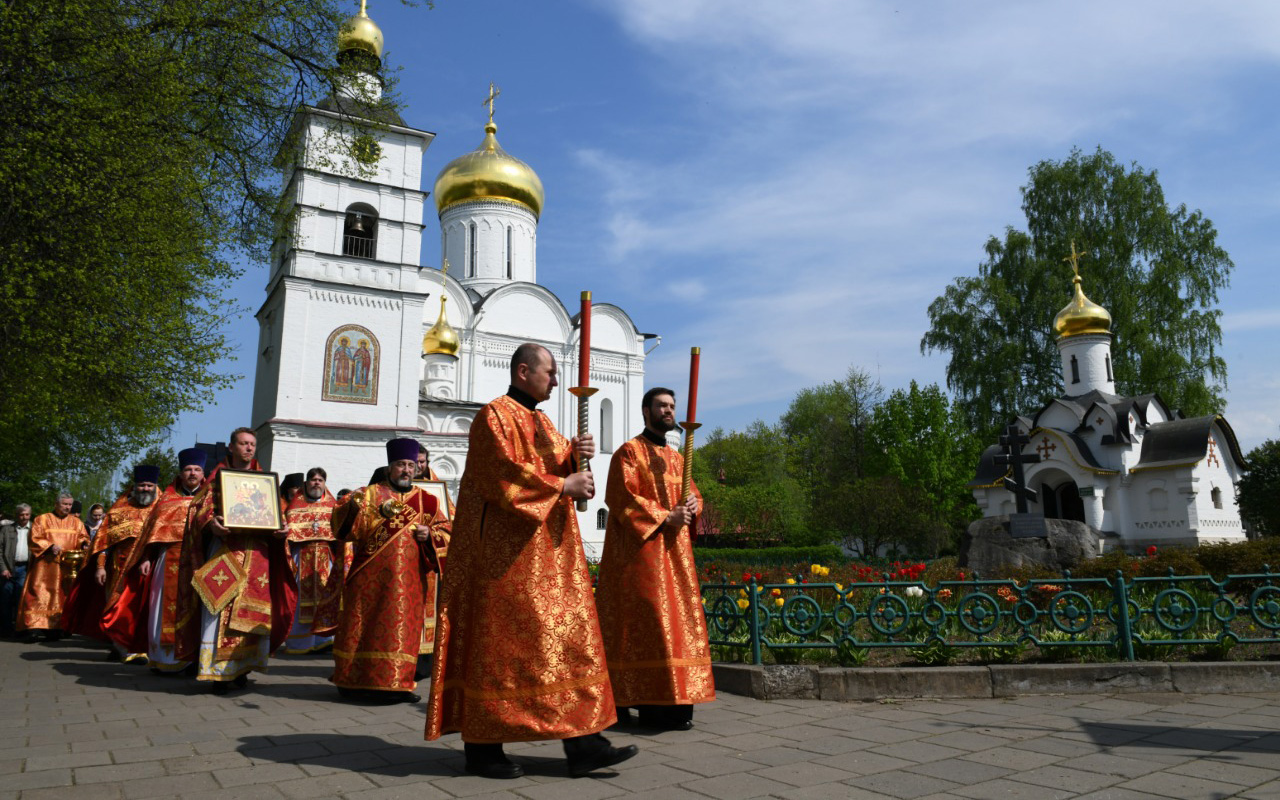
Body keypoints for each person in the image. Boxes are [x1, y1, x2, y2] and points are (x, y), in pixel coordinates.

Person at [425, 343, 636, 779]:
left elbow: (561, 471)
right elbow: (503, 476)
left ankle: (584, 744)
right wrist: (563, 485)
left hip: (549, 560)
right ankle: (482, 748)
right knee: (502, 649)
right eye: (550, 372)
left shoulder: (543, 421)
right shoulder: (494, 417)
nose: (556, 380)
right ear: (524, 372)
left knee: (567, 645)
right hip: (504, 560)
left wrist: (575, 455)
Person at [595, 387, 713, 731]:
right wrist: (665, 517)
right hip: (641, 558)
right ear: (646, 410)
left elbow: (692, 494)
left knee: (679, 626)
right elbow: (621, 496)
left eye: (672, 406)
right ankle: (648, 705)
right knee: (649, 625)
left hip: (676, 558)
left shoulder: (678, 458)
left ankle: (679, 705)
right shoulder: (629, 452)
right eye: (662, 405)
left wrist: (694, 505)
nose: (669, 411)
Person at [175, 427, 297, 693]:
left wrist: (282, 529)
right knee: (220, 610)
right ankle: (218, 671)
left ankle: (242, 668)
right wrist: (211, 524)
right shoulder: (218, 478)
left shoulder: (265, 481)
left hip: (258, 556)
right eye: (243, 444)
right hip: (227, 551)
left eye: (252, 444)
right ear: (232, 447)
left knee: (253, 612)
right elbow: (200, 510)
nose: (249, 448)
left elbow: (278, 514)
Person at [330, 440, 449, 703]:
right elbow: (343, 529)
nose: (406, 470)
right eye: (400, 465)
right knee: (361, 629)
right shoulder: (369, 494)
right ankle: (351, 682)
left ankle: (397, 684)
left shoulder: (427, 501)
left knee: (400, 632)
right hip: (367, 579)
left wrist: (430, 534)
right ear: (390, 467)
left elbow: (449, 533)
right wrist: (350, 507)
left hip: (409, 584)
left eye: (410, 465)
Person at [103, 448, 207, 673]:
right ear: (180, 473)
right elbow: (151, 534)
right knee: (161, 607)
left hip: (200, 561)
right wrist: (147, 558)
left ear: (203, 474)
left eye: (197, 469)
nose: (192, 473)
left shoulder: (210, 499)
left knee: (197, 609)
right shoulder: (166, 500)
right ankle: (163, 659)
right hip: (167, 559)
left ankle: (193, 660)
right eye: (188, 469)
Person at [64, 466, 162, 660]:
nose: (145, 489)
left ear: (155, 487)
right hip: (118, 567)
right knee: (117, 608)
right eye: (141, 485)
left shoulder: (161, 509)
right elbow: (103, 543)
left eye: (149, 485)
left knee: (143, 609)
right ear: (135, 487)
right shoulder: (119, 509)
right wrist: (100, 567)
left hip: (148, 566)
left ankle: (140, 649)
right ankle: (120, 647)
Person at [283, 467, 342, 654]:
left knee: (327, 596)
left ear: (325, 484)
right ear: (307, 483)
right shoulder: (295, 507)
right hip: (303, 555)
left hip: (326, 556)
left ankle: (324, 640)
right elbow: (289, 535)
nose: (317, 483)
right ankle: (301, 643)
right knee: (301, 597)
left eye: (320, 480)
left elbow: (340, 533)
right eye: (313, 479)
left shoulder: (334, 507)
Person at [16, 493, 89, 640]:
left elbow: (83, 537)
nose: (68, 507)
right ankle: (32, 628)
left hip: (65, 567)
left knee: (61, 597)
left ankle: (55, 627)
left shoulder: (76, 522)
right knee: (37, 594)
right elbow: (34, 538)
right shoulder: (42, 519)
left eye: (70, 505)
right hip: (44, 567)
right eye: (65, 504)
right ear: (56, 504)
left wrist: (84, 544)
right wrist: (49, 546)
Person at [0, 504, 33, 637]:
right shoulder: (6, 529)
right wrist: (3, 568)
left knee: (22, 599)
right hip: (8, 569)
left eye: (27, 514)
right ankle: (6, 629)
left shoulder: (35, 529)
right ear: (16, 514)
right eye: (21, 514)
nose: (24, 517)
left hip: (25, 568)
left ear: (30, 515)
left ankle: (20, 628)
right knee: (5, 599)